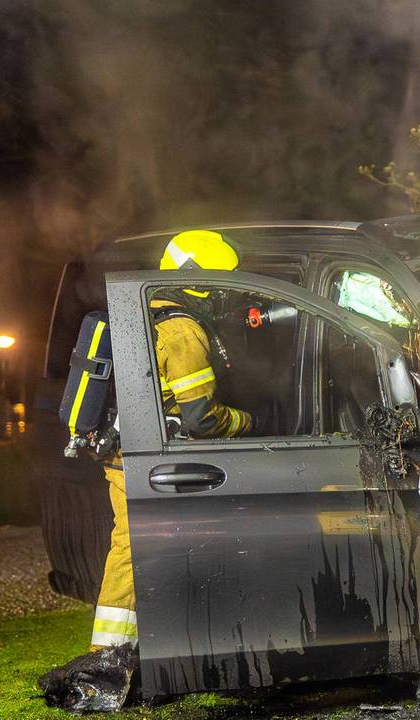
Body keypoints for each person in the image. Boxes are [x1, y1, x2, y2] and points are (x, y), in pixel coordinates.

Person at [91, 229, 257, 650]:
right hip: (145, 462)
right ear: (197, 280)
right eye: (221, 282)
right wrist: (248, 422)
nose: (226, 294)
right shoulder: (182, 330)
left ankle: (162, 647)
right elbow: (202, 420)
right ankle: (108, 656)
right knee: (133, 551)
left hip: (127, 455)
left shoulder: (149, 313)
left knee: (157, 551)